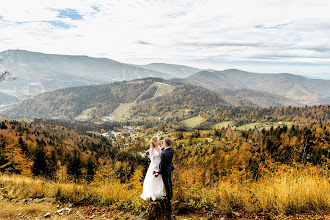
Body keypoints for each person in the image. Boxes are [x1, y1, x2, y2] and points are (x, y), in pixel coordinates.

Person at [140, 136, 164, 201]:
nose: (158, 142)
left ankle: (158, 193)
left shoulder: (160, 147)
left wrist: (161, 147)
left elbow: (162, 155)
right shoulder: (152, 149)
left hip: (160, 165)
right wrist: (155, 168)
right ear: (153, 141)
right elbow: (152, 159)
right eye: (157, 141)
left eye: (158, 140)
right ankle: (153, 193)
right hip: (154, 165)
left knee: (160, 179)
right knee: (154, 179)